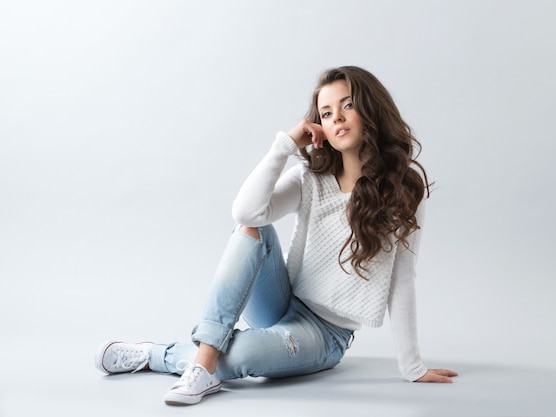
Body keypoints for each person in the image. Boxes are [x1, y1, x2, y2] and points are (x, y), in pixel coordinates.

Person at [95, 65, 457, 405]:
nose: (338, 119)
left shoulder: (404, 189)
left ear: (371, 111)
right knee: (252, 229)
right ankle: (203, 364)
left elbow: (403, 278)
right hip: (281, 300)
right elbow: (246, 213)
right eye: (326, 113)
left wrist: (412, 366)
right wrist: (284, 145)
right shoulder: (311, 178)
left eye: (348, 106)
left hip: (325, 334)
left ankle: (155, 355)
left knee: (240, 358)